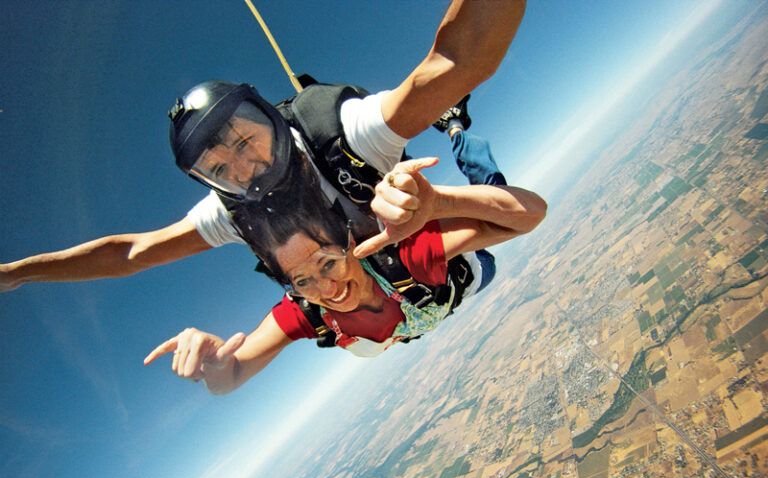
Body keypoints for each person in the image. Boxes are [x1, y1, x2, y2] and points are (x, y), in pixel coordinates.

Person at [0, 0, 526, 293]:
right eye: (221, 169)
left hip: (461, 259)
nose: (247, 169)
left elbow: (459, 62)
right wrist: (19, 273)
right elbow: (133, 253)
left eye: (245, 140)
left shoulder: (344, 132)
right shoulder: (234, 211)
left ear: (271, 117)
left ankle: (456, 130)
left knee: (490, 190)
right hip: (400, 297)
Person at [143, 156, 546, 391]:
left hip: (474, 272)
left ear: (351, 245)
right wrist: (213, 361)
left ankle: (458, 129)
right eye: (302, 281)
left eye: (327, 263)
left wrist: (439, 202)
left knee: (490, 185)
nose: (326, 289)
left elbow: (528, 214)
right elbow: (228, 378)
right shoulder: (306, 312)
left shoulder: (405, 257)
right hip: (447, 298)